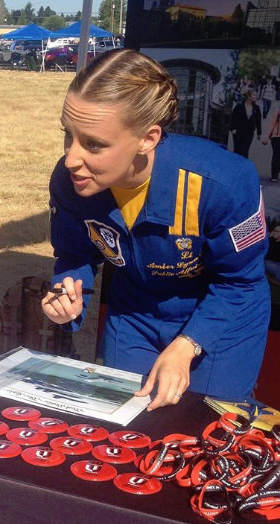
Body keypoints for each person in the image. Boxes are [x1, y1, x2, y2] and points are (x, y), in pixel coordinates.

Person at [42, 49, 270, 410]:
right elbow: (73, 254)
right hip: (135, 313)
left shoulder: (222, 182)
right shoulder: (70, 180)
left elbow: (240, 283)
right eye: (68, 135)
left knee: (206, 427)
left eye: (94, 144)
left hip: (221, 317)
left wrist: (188, 345)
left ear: (148, 138)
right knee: (127, 421)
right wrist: (67, 295)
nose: (71, 158)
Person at [230, 88, 262, 158]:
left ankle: (243, 167)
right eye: (254, 95)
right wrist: (232, 129)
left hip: (249, 133)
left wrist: (259, 133)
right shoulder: (239, 106)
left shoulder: (256, 108)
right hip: (238, 132)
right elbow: (233, 118)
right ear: (248, 96)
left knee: (245, 151)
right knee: (237, 151)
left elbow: (258, 121)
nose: (255, 97)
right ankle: (235, 167)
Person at [262, 106, 280, 182]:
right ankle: (274, 176)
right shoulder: (278, 111)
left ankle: (276, 171)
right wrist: (266, 136)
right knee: (276, 155)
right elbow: (272, 124)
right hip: (276, 137)